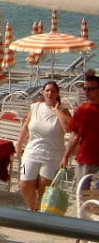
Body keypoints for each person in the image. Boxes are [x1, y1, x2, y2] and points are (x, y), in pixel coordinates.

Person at [16, 81, 72, 210]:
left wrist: (56, 110)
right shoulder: (35, 107)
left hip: (52, 155)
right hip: (31, 152)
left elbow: (68, 128)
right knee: (24, 183)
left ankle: (42, 212)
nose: (50, 93)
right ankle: (33, 208)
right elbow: (26, 127)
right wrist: (19, 143)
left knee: (44, 186)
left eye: (53, 91)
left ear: (57, 94)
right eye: (47, 90)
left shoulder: (63, 110)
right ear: (43, 92)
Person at [62, 72, 99, 183]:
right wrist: (66, 156)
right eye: (85, 89)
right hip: (85, 159)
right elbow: (75, 135)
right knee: (84, 195)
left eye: (91, 89)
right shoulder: (82, 110)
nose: (87, 92)